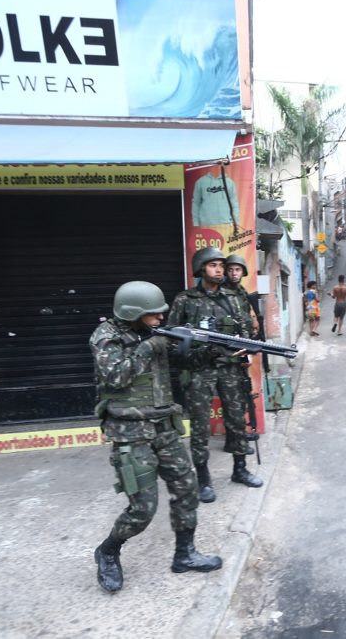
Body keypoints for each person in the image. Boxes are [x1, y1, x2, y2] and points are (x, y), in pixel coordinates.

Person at [90, 281, 222, 593]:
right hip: (130, 433)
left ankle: (185, 555)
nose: (161, 318)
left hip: (164, 427)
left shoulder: (155, 334)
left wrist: (217, 350)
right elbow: (115, 375)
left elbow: (184, 360)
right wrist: (150, 346)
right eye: (154, 314)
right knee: (143, 509)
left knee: (187, 490)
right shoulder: (107, 337)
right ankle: (108, 551)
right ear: (134, 312)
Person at [167, 248, 263, 505]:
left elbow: (244, 330)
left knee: (235, 418)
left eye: (222, 265)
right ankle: (203, 478)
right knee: (200, 426)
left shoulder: (232, 298)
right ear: (201, 269)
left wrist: (247, 348)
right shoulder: (185, 300)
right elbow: (171, 340)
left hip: (230, 368)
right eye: (213, 265)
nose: (220, 270)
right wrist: (193, 354)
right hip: (200, 371)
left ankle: (240, 469)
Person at [223, 253, 261, 456]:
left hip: (242, 347)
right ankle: (233, 438)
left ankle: (238, 434)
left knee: (241, 394)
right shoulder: (223, 293)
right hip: (227, 350)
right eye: (230, 269)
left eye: (237, 269)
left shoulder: (241, 292)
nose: (234, 273)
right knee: (232, 398)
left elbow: (247, 316)